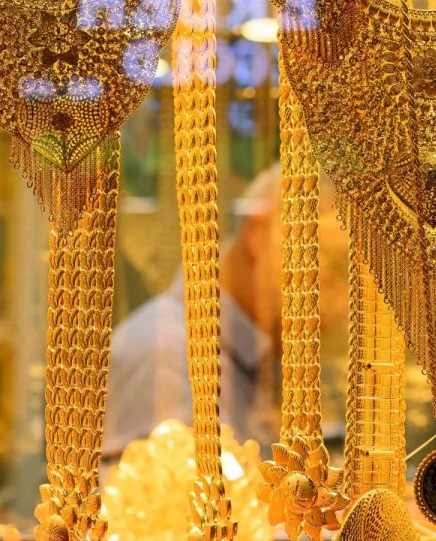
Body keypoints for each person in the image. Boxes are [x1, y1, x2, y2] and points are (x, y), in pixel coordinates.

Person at [104, 164, 348, 457]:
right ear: (259, 235)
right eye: (336, 269)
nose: (344, 304)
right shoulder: (168, 357)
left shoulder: (246, 357)